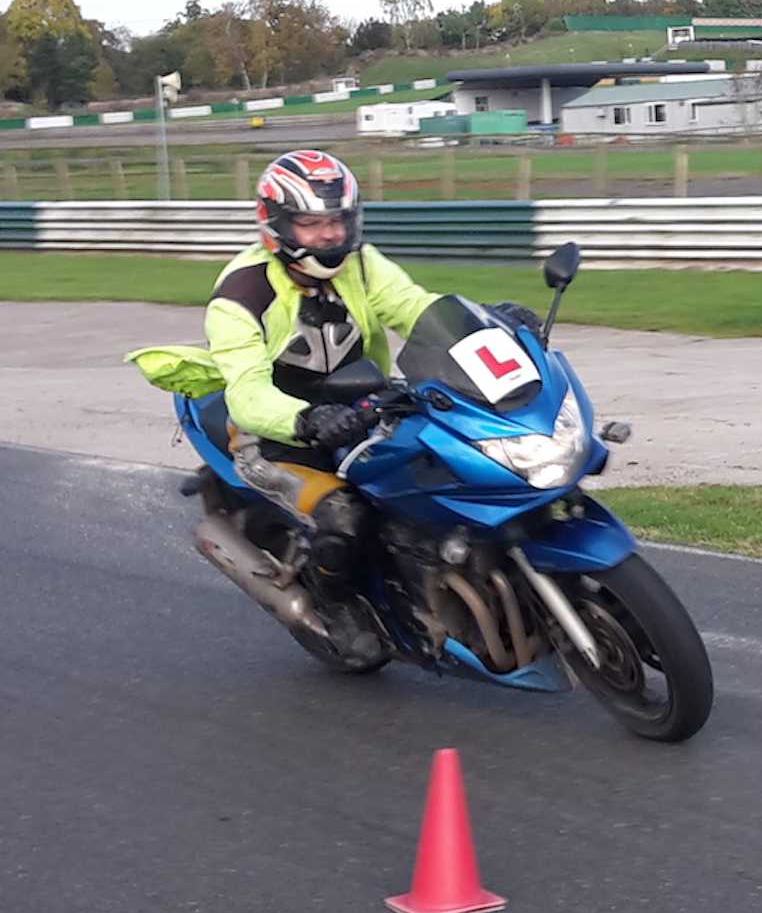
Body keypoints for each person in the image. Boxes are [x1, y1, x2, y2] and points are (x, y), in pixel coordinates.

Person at [203, 150, 537, 649]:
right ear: (276, 224)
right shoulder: (240, 298)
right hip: (274, 436)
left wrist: (485, 324)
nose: (330, 235)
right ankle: (335, 605)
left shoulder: (360, 264)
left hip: (364, 407)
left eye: (337, 221)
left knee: (444, 472)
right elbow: (248, 395)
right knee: (345, 515)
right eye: (312, 223)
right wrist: (308, 421)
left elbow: (414, 308)